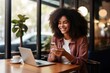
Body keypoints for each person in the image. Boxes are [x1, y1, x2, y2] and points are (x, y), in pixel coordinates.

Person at [47, 8, 88, 73]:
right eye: (59, 23)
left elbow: (82, 63)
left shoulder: (81, 39)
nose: (61, 26)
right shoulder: (55, 38)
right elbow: (50, 60)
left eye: (65, 22)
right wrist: (53, 55)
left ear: (73, 23)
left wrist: (66, 54)